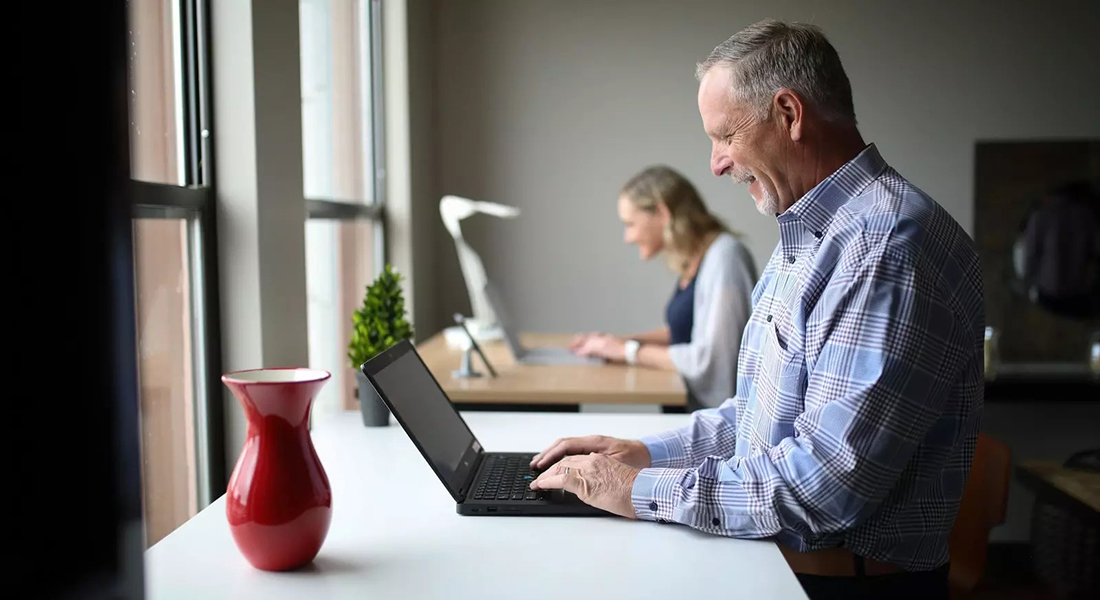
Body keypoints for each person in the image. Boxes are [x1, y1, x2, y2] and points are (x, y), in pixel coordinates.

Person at [530, 19, 983, 600]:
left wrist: (639, 488)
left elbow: (822, 487)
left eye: (725, 136)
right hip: (785, 567)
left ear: (790, 115)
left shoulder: (884, 248)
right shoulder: (813, 237)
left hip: (841, 586)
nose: (716, 164)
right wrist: (640, 454)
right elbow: (756, 420)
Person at [570, 165, 757, 409]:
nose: (628, 237)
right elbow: (683, 332)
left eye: (630, 224)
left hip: (709, 422)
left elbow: (711, 359)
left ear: (661, 213)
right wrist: (614, 343)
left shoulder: (726, 257)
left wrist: (628, 351)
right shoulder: (698, 258)